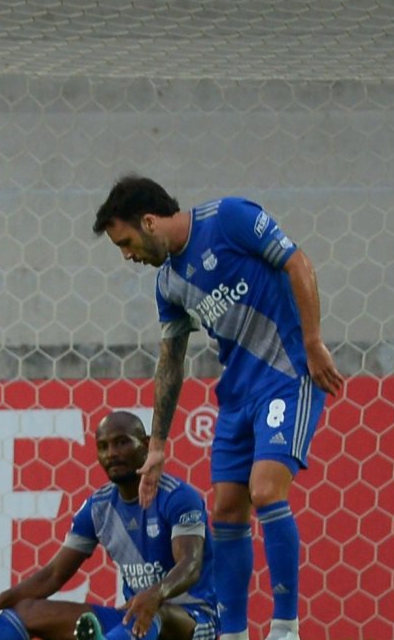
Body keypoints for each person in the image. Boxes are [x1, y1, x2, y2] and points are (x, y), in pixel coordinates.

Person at [91, 176, 345, 640]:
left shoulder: (228, 219)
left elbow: (297, 261)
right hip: (236, 396)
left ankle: (286, 627)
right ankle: (233, 633)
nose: (127, 255)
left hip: (285, 376)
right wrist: (160, 444)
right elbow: (171, 361)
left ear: (149, 222)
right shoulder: (168, 284)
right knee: (226, 510)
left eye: (125, 242)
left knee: (266, 490)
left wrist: (313, 342)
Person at [0, 411, 218, 640]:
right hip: (135, 623)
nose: (111, 452)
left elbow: (190, 564)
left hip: (190, 622)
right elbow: (52, 577)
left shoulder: (178, 497)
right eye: (103, 446)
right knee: (26, 610)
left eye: (121, 442)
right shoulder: (97, 507)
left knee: (154, 613)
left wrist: (155, 594)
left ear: (145, 445)